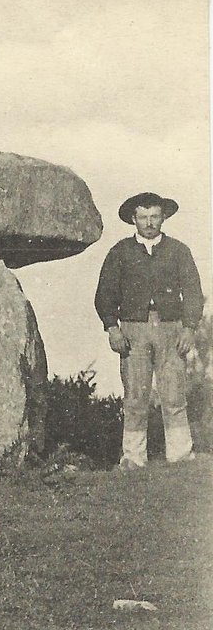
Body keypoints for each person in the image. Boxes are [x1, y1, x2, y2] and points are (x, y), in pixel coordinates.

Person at [95, 191, 204, 468]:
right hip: (133, 330)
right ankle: (133, 457)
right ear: (133, 219)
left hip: (171, 328)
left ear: (163, 217)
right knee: (135, 394)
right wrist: (112, 328)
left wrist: (189, 328)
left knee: (174, 393)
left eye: (154, 216)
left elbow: (192, 292)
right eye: (143, 217)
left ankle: (180, 455)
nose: (149, 222)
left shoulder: (179, 251)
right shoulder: (120, 252)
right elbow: (105, 294)